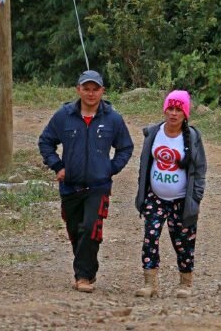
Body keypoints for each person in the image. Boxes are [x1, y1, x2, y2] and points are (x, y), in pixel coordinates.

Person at [38, 70, 134, 292]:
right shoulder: (64, 116)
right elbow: (45, 142)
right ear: (78, 90)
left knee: (91, 229)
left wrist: (110, 168)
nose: (91, 94)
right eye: (86, 89)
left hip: (98, 187)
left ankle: (83, 276)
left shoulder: (113, 118)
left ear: (103, 91)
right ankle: (86, 271)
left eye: (95, 89)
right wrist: (58, 166)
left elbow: (125, 148)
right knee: (76, 231)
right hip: (70, 186)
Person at [134, 90, 207, 299]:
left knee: (183, 241)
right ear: (164, 110)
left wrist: (196, 197)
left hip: (181, 200)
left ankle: (186, 283)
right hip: (155, 198)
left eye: (178, 109)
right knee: (150, 238)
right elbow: (144, 164)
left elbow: (200, 169)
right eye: (170, 109)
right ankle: (150, 284)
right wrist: (143, 191)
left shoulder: (192, 137)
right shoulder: (154, 133)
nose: (173, 114)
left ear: (185, 114)